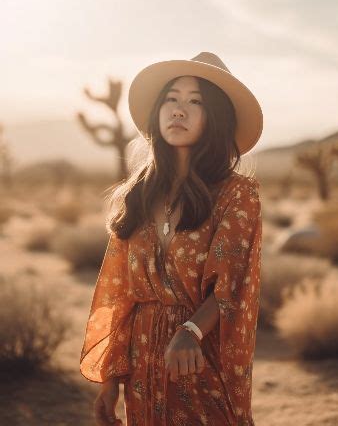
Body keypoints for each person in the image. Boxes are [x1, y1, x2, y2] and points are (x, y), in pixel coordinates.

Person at [79, 51, 264, 426]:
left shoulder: (236, 194)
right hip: (141, 359)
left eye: (195, 101)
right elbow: (119, 296)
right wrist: (111, 379)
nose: (178, 110)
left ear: (216, 118)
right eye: (171, 98)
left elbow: (233, 284)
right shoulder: (139, 195)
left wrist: (191, 330)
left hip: (199, 355)